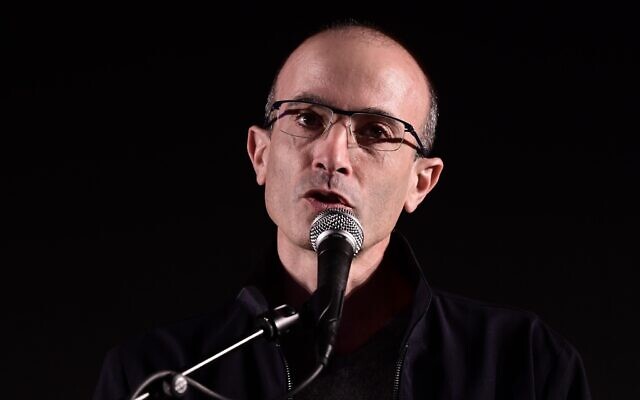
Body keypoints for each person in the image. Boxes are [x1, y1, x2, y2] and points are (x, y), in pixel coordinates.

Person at [93, 21, 592, 400]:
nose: (331, 156)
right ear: (260, 155)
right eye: (308, 118)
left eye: (376, 132)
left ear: (421, 182)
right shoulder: (157, 375)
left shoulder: (525, 363)